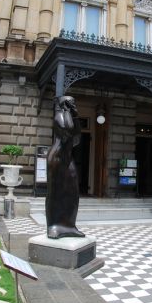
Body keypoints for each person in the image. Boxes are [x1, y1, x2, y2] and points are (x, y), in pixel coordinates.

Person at [46, 96, 85, 239]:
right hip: (56, 158)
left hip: (68, 158)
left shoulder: (69, 115)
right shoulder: (59, 116)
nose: (75, 104)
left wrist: (75, 115)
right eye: (71, 102)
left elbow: (77, 137)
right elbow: (67, 131)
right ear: (65, 104)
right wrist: (66, 110)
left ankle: (69, 225)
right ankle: (53, 226)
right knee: (55, 192)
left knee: (73, 192)